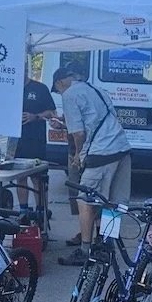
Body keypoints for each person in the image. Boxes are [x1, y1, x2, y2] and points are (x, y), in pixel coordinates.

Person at [52, 67, 132, 266]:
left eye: (57, 90)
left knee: (85, 202)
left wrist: (78, 155)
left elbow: (78, 134)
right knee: (112, 203)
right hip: (122, 149)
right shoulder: (97, 90)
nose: (60, 93)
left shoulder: (69, 94)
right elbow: (98, 119)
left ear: (60, 83)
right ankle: (106, 246)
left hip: (101, 153)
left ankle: (84, 250)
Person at [11, 75, 58, 215]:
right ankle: (23, 210)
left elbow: (52, 113)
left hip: (36, 140)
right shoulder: (10, 87)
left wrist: (35, 116)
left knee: (38, 177)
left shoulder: (40, 88)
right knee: (20, 176)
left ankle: (41, 211)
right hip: (16, 141)